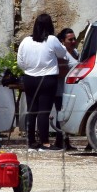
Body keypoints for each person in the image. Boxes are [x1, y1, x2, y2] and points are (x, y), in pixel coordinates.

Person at [16, 13, 69, 152]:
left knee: (31, 110)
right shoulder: (51, 40)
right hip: (47, 79)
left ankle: (31, 142)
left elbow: (20, 62)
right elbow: (63, 54)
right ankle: (44, 143)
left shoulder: (25, 41)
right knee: (43, 111)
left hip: (29, 78)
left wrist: (30, 69)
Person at [53, 27, 80, 150]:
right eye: (70, 39)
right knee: (61, 114)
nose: (73, 41)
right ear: (63, 41)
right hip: (61, 89)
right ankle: (61, 141)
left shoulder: (75, 52)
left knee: (66, 115)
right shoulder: (63, 53)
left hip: (72, 89)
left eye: (74, 39)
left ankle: (64, 141)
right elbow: (61, 71)